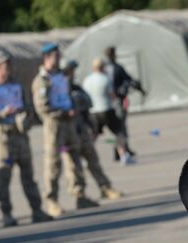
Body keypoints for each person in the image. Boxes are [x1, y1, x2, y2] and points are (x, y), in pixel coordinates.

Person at [0, 53, 52, 227]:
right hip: (4, 139)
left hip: (21, 137)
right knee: (4, 178)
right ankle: (7, 214)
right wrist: (2, 114)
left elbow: (28, 106)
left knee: (28, 176)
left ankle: (37, 210)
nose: (9, 70)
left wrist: (25, 116)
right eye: (5, 66)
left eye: (10, 66)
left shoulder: (17, 86)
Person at [32, 43, 99, 217]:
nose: (59, 59)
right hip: (54, 125)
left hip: (70, 124)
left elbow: (67, 95)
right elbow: (42, 107)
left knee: (74, 159)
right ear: (47, 58)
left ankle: (80, 195)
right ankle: (52, 200)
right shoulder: (42, 81)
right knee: (54, 163)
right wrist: (63, 112)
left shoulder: (61, 77)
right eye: (56, 56)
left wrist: (74, 108)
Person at [60, 59, 123, 200]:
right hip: (67, 132)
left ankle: (105, 187)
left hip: (81, 130)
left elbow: (87, 106)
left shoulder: (76, 88)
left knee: (92, 159)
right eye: (69, 72)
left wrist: (91, 125)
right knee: (72, 165)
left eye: (72, 71)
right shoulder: (58, 91)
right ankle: (79, 195)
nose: (72, 74)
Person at [83, 58, 132, 165]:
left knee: (93, 135)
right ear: (102, 67)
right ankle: (123, 156)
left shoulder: (87, 80)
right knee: (118, 133)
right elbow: (112, 95)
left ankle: (86, 157)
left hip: (93, 111)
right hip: (106, 109)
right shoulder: (105, 79)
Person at [104, 46, 145, 162]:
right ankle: (122, 150)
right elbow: (129, 80)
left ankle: (120, 150)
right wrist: (140, 89)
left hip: (107, 102)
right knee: (120, 127)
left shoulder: (104, 69)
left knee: (116, 127)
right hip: (117, 101)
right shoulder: (117, 68)